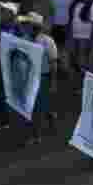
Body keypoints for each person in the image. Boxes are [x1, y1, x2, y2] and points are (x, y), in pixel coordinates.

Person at [16, 12, 60, 145]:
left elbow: (53, 63)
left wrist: (53, 82)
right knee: (33, 106)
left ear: (36, 27)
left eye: (29, 24)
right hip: (29, 77)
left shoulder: (48, 41)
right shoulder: (24, 39)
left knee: (37, 107)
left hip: (43, 77)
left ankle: (36, 135)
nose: (26, 27)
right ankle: (48, 116)